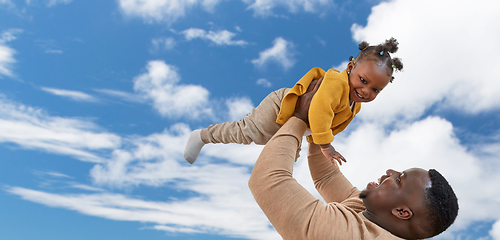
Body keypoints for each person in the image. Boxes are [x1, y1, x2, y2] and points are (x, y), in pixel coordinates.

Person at [248, 79, 459, 240]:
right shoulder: (371, 214)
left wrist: (300, 117)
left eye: (399, 180)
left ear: (402, 212)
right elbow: (326, 177)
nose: (390, 172)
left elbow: (267, 180)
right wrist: (321, 122)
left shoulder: (346, 235)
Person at [184, 38, 403, 165]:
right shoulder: (337, 83)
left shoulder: (355, 104)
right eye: (363, 81)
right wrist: (326, 145)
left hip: (299, 125)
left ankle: (277, 183)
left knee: (288, 157)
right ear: (351, 68)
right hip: (280, 109)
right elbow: (319, 110)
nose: (366, 91)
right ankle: (202, 136)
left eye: (375, 89)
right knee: (245, 133)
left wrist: (316, 142)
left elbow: (330, 123)